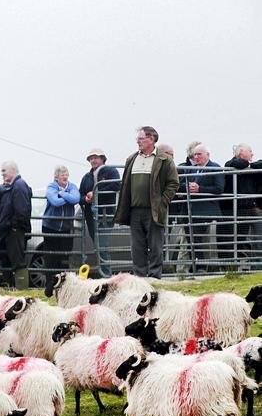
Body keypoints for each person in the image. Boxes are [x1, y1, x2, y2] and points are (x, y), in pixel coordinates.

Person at [113, 126, 179, 278]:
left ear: (152, 139)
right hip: (135, 210)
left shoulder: (164, 160)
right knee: (137, 247)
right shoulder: (132, 159)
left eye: (141, 139)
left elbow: (173, 183)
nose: (138, 142)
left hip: (154, 210)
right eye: (138, 139)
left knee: (155, 246)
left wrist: (163, 202)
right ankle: (140, 277)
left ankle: (155, 277)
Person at [176, 144, 224, 270]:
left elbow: (219, 188)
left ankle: (201, 267)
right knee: (191, 240)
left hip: (205, 211)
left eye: (199, 154)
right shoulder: (191, 169)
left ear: (208, 155)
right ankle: (197, 266)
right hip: (189, 210)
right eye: (194, 155)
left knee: (198, 240)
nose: (196, 157)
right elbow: (180, 184)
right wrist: (187, 187)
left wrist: (199, 189)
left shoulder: (215, 167)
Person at [78, 149, 120, 278]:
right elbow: (80, 195)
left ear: (102, 159)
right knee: (98, 245)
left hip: (106, 214)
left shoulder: (111, 172)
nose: (93, 160)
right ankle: (104, 273)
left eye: (95, 157)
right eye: (90, 158)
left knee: (102, 244)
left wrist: (95, 193)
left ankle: (106, 274)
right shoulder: (86, 177)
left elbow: (115, 186)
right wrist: (85, 198)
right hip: (91, 216)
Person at [42, 166, 80, 295]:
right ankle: (49, 287)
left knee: (64, 257)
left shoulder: (72, 186)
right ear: (56, 177)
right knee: (50, 257)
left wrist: (63, 194)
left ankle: (63, 287)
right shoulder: (51, 186)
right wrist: (68, 198)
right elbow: (55, 202)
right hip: (50, 227)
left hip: (66, 228)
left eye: (66, 174)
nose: (64, 176)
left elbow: (76, 199)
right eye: (62, 174)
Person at [220, 143, 262, 261]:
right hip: (233, 209)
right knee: (233, 237)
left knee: (245, 237)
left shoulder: (250, 167)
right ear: (241, 152)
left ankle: (249, 262)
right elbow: (239, 163)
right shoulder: (231, 163)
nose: (252, 153)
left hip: (247, 208)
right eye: (250, 151)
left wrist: (251, 165)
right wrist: (251, 165)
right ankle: (232, 264)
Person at [0, 161, 32, 289]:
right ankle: (10, 288)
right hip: (10, 230)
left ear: (13, 170)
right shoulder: (13, 185)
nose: (2, 173)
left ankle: (21, 290)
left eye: (4, 171)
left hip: (15, 230)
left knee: (18, 262)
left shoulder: (19, 185)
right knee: (11, 260)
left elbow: (22, 211)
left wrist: (12, 225)